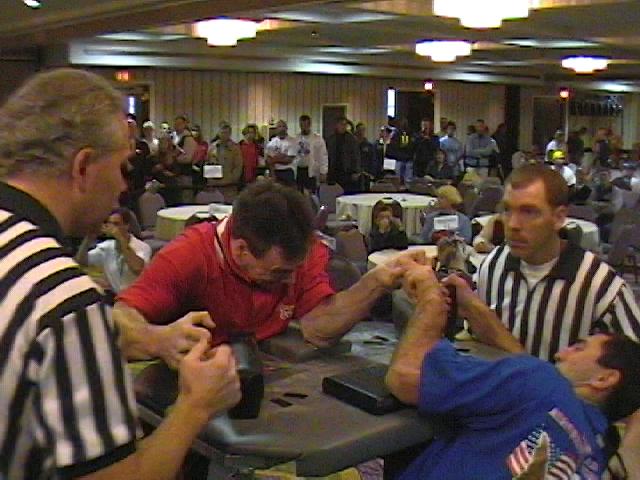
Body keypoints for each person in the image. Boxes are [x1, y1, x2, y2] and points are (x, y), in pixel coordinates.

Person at [0, 68, 241, 480]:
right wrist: (195, 406)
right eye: (122, 168)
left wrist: (153, 338)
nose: (122, 187)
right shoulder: (63, 295)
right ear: (83, 167)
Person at [115, 180, 421, 368]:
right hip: (197, 379)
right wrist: (158, 340)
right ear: (241, 250)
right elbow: (118, 320)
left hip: (264, 368)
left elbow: (317, 327)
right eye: (279, 273)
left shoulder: (303, 251)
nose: (290, 280)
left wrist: (378, 281)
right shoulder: (188, 256)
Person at [386, 260, 640, 480]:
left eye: (579, 348)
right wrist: (474, 308)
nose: (560, 353)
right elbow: (527, 375)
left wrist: (430, 296)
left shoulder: (542, 382)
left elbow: (404, 378)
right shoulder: (596, 453)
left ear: (604, 378)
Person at [464, 165, 640, 361]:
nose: (512, 224)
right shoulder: (493, 265)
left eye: (529, 212)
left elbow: (632, 367)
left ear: (559, 217)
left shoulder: (602, 287)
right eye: (507, 210)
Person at [75, 207, 152, 294]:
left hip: (137, 295)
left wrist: (120, 238)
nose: (112, 227)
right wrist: (88, 238)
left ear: (127, 226)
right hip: (115, 296)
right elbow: (81, 261)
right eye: (110, 223)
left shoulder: (142, 247)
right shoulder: (106, 247)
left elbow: (137, 267)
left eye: (116, 224)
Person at [206, 122, 243, 201]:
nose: (224, 135)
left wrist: (232, 180)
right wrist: (210, 181)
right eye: (222, 132)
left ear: (230, 134)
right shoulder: (212, 147)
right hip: (214, 185)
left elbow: (238, 167)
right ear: (218, 133)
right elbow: (208, 163)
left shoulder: (235, 148)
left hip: (229, 186)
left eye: (226, 133)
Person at [326, 116, 361, 192]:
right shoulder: (331, 139)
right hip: (333, 172)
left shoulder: (352, 139)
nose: (343, 126)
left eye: (345, 125)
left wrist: (356, 171)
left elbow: (356, 156)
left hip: (347, 171)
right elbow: (327, 156)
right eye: (341, 124)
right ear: (336, 125)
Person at [295, 114, 328, 192]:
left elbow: (323, 156)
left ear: (309, 125)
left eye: (306, 125)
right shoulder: (296, 138)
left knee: (311, 193)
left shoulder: (317, 139)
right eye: (302, 125)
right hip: (299, 170)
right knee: (299, 193)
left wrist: (323, 172)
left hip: (311, 170)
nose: (304, 127)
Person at [265, 119, 298, 187]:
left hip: (288, 171)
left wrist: (275, 159)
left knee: (289, 191)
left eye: (283, 126)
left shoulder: (293, 141)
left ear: (286, 128)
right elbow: (269, 161)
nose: (282, 128)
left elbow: (288, 160)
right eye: (279, 126)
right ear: (276, 129)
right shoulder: (271, 143)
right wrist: (273, 175)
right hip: (275, 171)